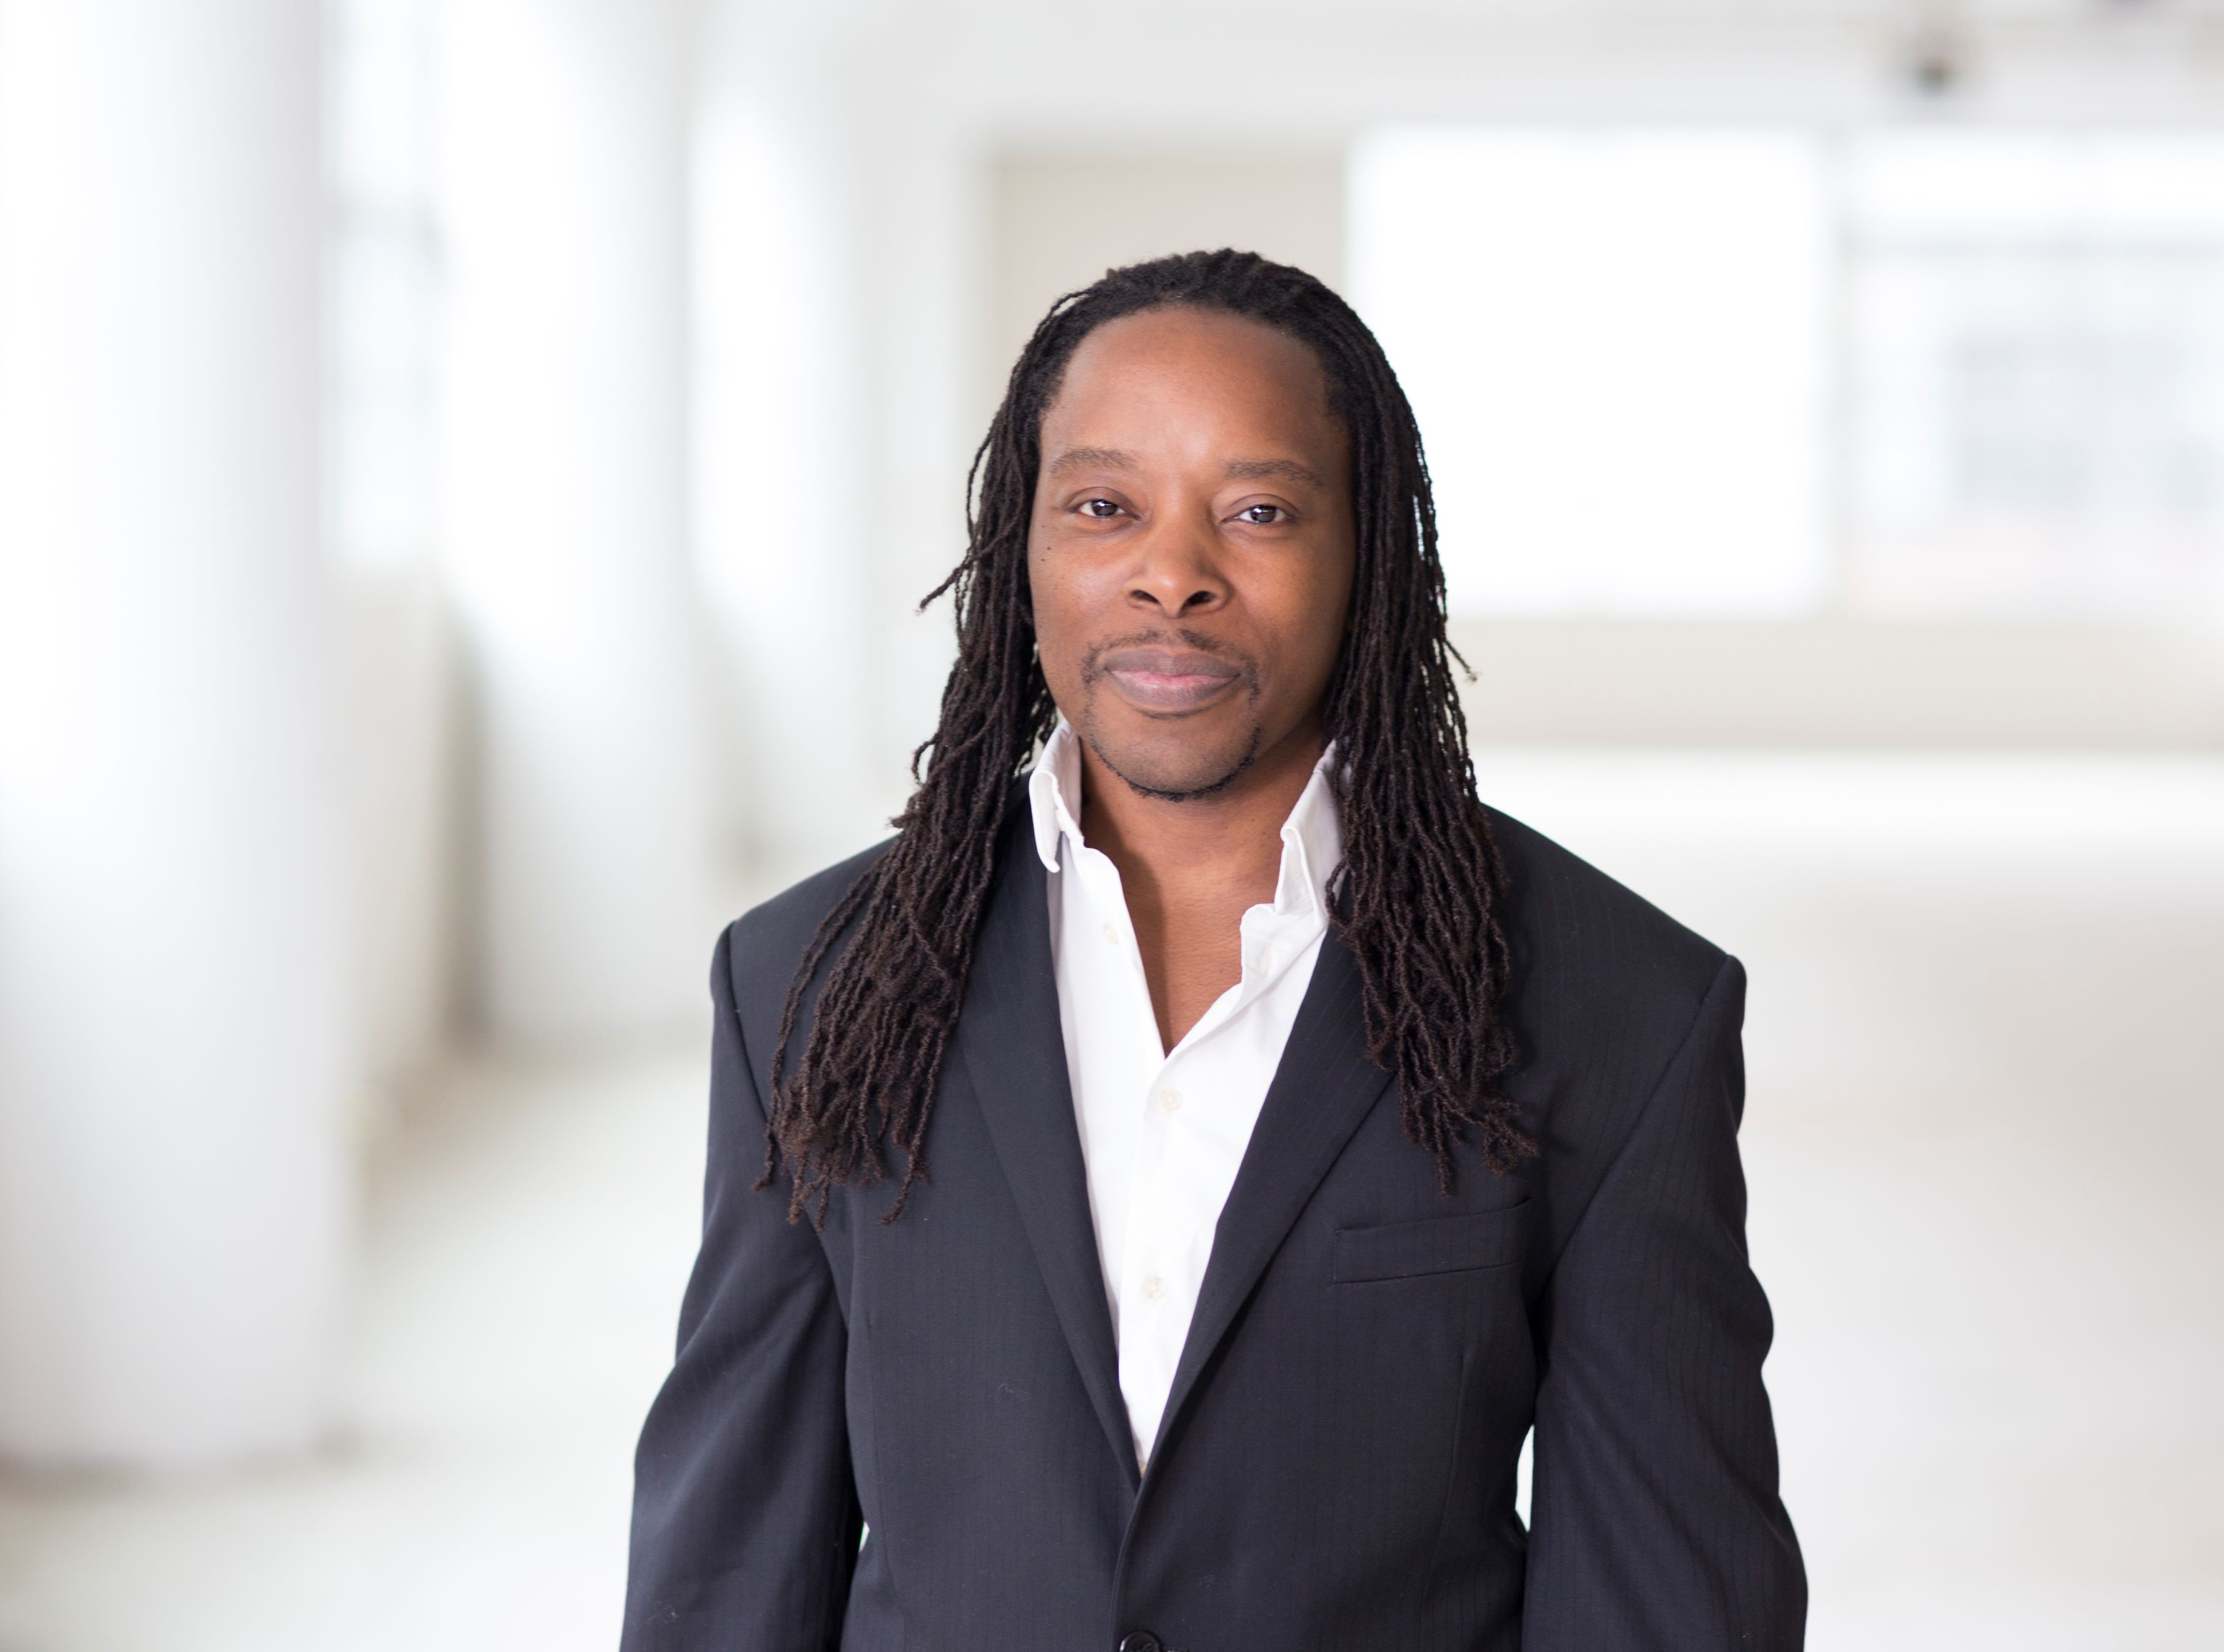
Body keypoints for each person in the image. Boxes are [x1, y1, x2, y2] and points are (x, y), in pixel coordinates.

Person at [620, 249, 1804, 1651]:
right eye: (1105, 507)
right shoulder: (810, 983)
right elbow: (732, 1567)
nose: (1171, 575)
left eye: (1258, 510)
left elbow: (1667, 1602)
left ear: (1369, 556)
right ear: (1024, 547)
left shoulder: (1620, 1007)